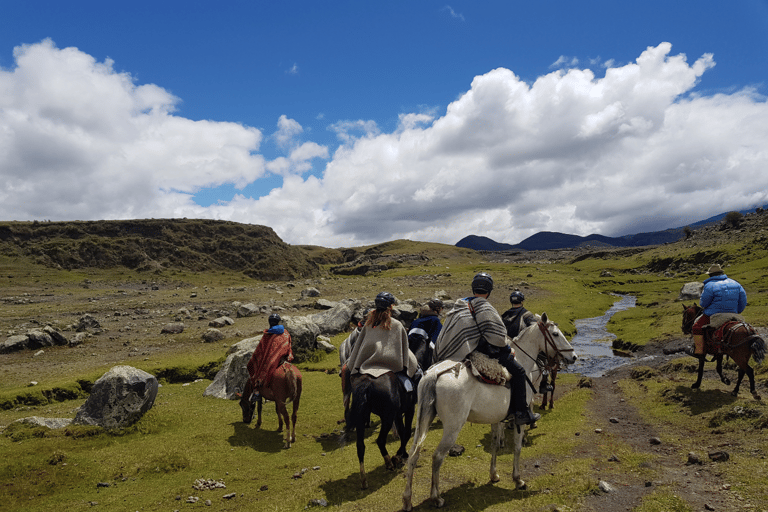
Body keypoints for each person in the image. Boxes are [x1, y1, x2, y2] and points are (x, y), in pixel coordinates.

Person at [432, 272, 540, 425]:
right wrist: (508, 350)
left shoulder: (460, 305)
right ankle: (521, 412)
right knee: (520, 371)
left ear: (473, 288)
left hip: (459, 350)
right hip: (481, 352)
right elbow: (497, 338)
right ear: (489, 291)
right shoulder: (485, 307)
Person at [345, 292, 419, 385]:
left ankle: (346, 396)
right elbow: (403, 345)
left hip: (367, 363)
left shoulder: (369, 324)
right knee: (416, 367)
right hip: (392, 364)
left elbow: (360, 344)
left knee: (345, 370)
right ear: (391, 307)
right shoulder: (396, 324)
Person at [689, 263, 747, 355]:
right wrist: (737, 311)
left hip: (714, 315)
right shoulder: (736, 283)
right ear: (721, 273)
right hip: (734, 314)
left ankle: (699, 350)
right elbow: (743, 301)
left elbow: (703, 303)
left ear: (710, 275)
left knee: (696, 326)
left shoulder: (709, 285)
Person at [247, 313, 294, 393]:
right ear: (278, 322)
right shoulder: (285, 333)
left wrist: (254, 360)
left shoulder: (267, 335)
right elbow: (289, 345)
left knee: (259, 374)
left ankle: (256, 393)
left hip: (271, 361)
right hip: (283, 359)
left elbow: (260, 350)